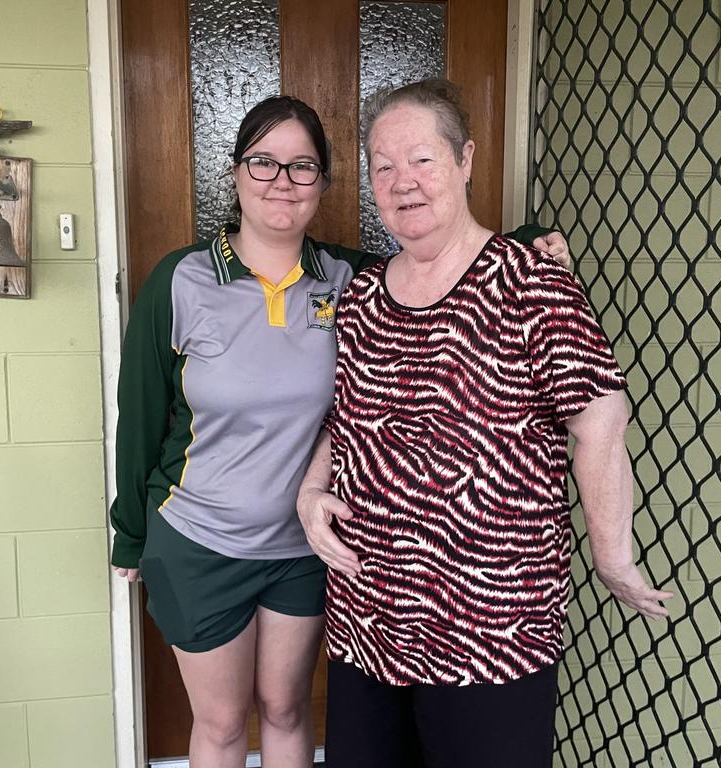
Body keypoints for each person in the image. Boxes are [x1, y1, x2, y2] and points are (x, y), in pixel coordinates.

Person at [109, 94, 571, 768]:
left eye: (302, 167)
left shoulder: (350, 279)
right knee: (221, 724)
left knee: (290, 709)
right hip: (201, 542)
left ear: (323, 184)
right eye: (263, 162)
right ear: (235, 173)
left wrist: (527, 246)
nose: (281, 181)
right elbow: (140, 414)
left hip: (306, 547)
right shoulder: (181, 281)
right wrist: (130, 531)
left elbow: (448, 263)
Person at [296, 79, 674, 768]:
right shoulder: (361, 301)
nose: (402, 181)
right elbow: (344, 417)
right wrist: (308, 492)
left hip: (491, 631)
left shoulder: (533, 284)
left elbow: (601, 421)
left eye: (422, 159)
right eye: (384, 165)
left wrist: (611, 552)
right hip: (369, 623)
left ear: (465, 160)